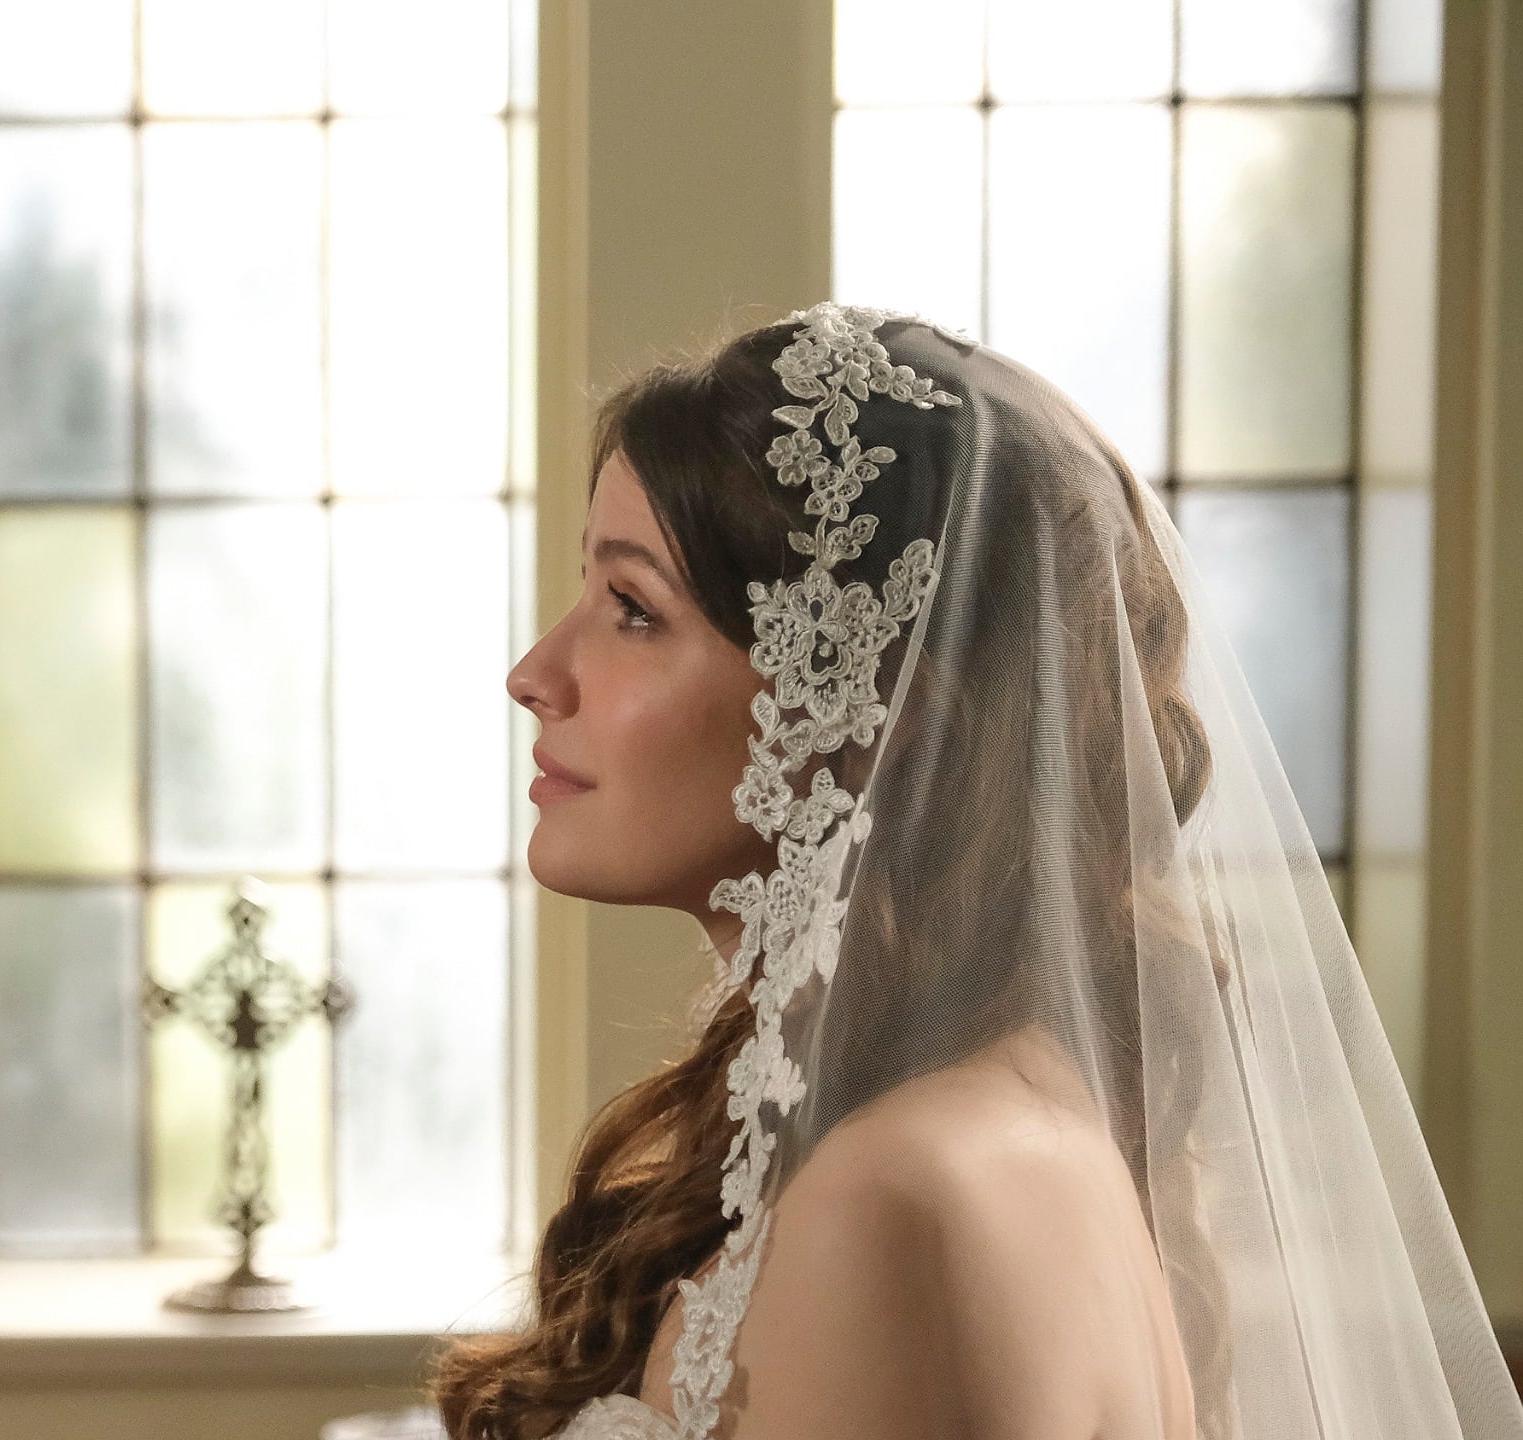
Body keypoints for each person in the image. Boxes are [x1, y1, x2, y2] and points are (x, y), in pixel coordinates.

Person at [437, 304, 1523, 1439]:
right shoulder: (992, 1124)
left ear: (881, 706)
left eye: (632, 609)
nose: (535, 674)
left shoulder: (893, 1200)